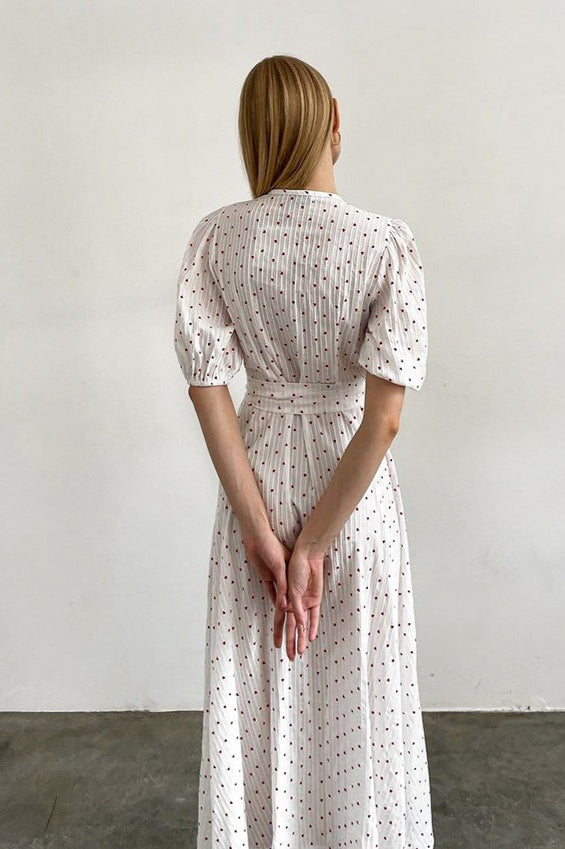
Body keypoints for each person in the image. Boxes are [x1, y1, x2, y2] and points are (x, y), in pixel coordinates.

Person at [173, 54, 434, 849]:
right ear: (334, 122)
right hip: (349, 494)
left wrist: (261, 530)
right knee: (360, 692)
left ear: (253, 137)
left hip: (256, 476)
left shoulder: (217, 239)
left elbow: (208, 389)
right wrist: (314, 544)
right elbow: (382, 420)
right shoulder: (382, 244)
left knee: (256, 692)